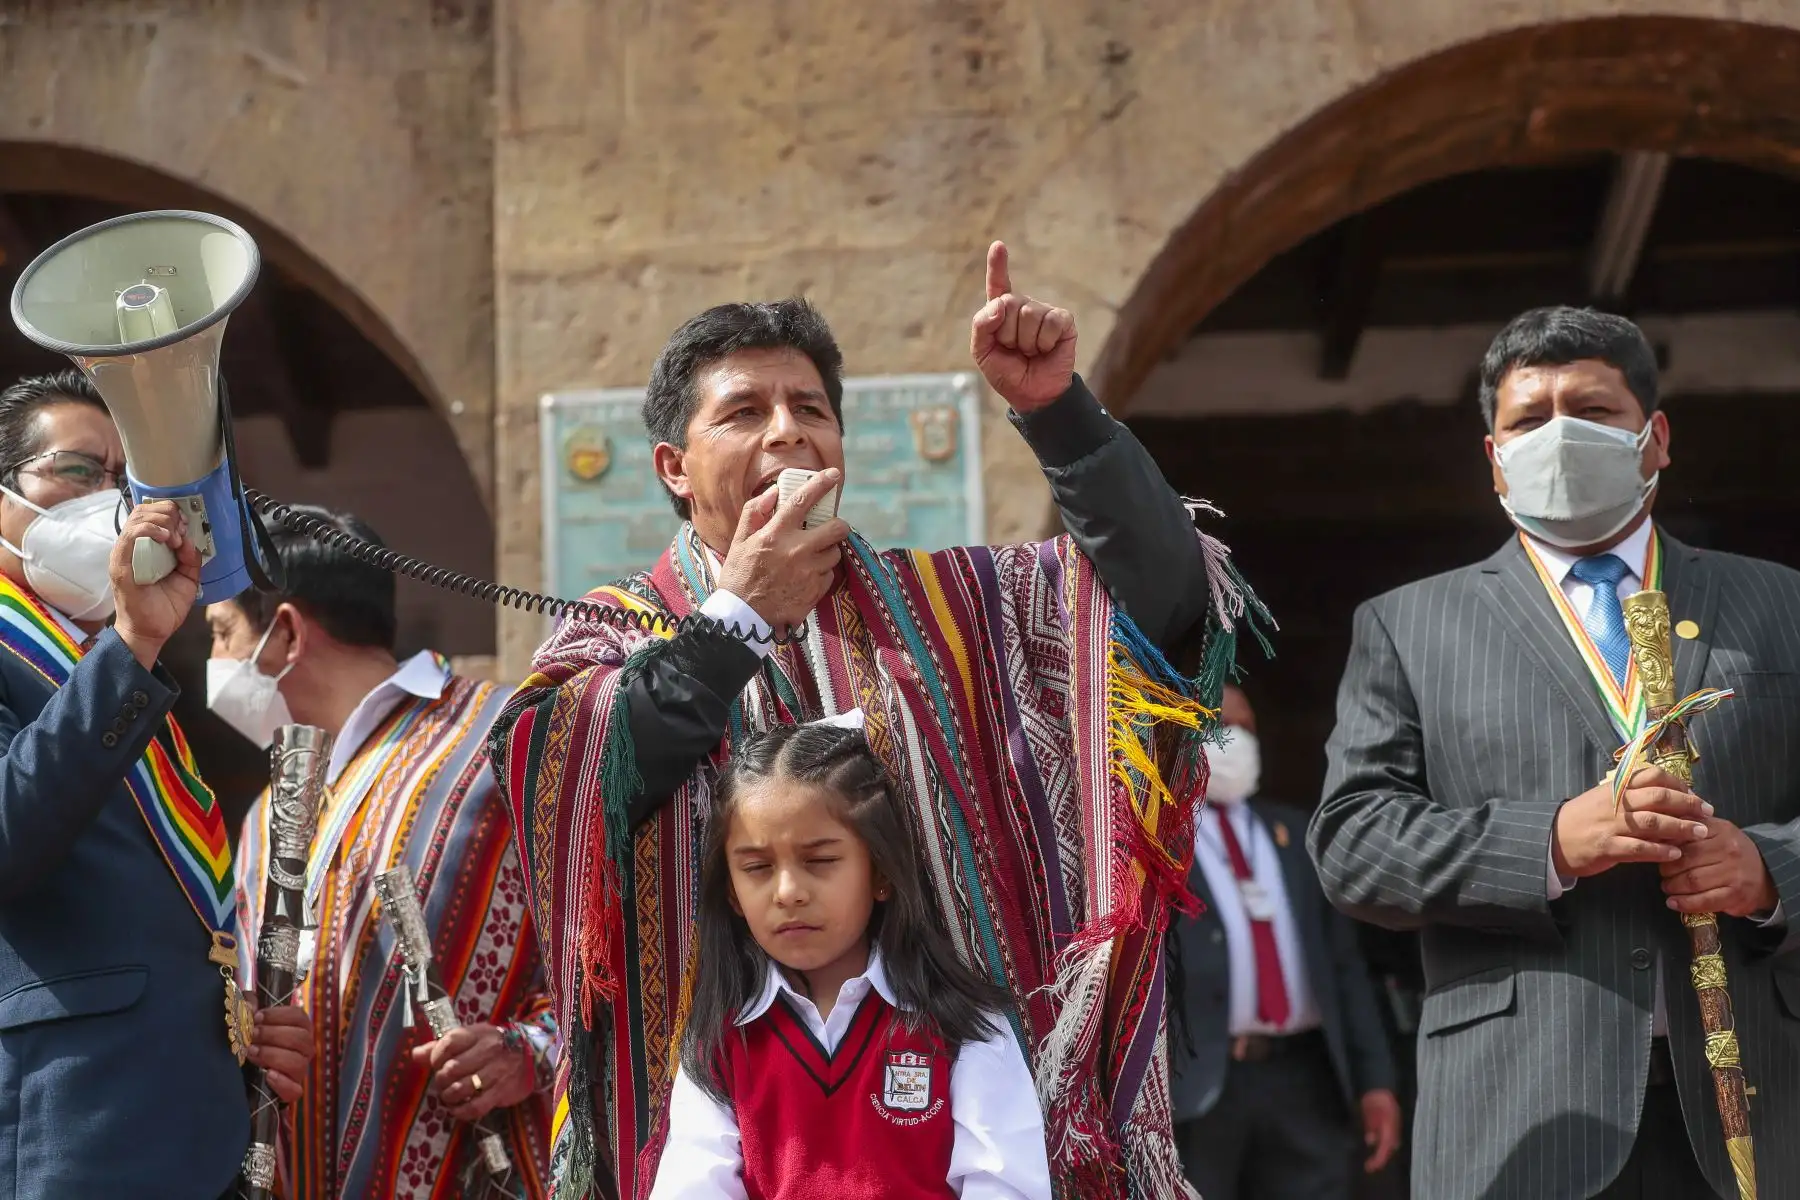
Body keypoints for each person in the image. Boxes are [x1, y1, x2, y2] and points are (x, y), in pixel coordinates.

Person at [491, 242, 1270, 1199]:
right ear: (675, 467)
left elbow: (1166, 597)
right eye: (743, 413)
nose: (787, 433)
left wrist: (1056, 412)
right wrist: (737, 616)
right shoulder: (614, 627)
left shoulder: (948, 610)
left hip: (956, 1135)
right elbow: (562, 769)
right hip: (697, 1135)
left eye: (811, 410)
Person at [1308, 307, 1800, 1200]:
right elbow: (1353, 845)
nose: (1560, 435)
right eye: (1529, 419)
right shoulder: (1411, 625)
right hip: (1521, 1111)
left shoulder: (1780, 604)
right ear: (1494, 457)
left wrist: (1769, 869)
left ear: (1655, 440)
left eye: (1594, 411)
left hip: (1763, 1108)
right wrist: (1550, 843)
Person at [0, 369, 313, 1200]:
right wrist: (132, 644)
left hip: (185, 1127)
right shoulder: (98, 661)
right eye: (77, 471)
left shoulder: (107, 665)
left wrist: (238, 1020)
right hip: (76, 1127)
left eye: (122, 481)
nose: (108, 501)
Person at [209, 506, 555, 1198]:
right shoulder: (269, 811)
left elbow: (620, 944)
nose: (213, 663)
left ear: (283, 632)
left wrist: (533, 1051)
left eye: (221, 634)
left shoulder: (507, 739)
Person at [649, 718, 1052, 1199]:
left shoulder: (960, 1025)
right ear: (733, 895)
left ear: (880, 872)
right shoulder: (719, 1041)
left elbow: (1004, 1185)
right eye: (756, 868)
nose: (788, 892)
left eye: (820, 861)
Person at [1168, 684, 1399, 1200]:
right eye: (1217, 724)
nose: (1236, 740)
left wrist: (1375, 1082)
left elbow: (1345, 968)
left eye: (1246, 728)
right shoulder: (1159, 839)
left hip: (1303, 1080)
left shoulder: (1295, 833)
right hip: (1201, 1085)